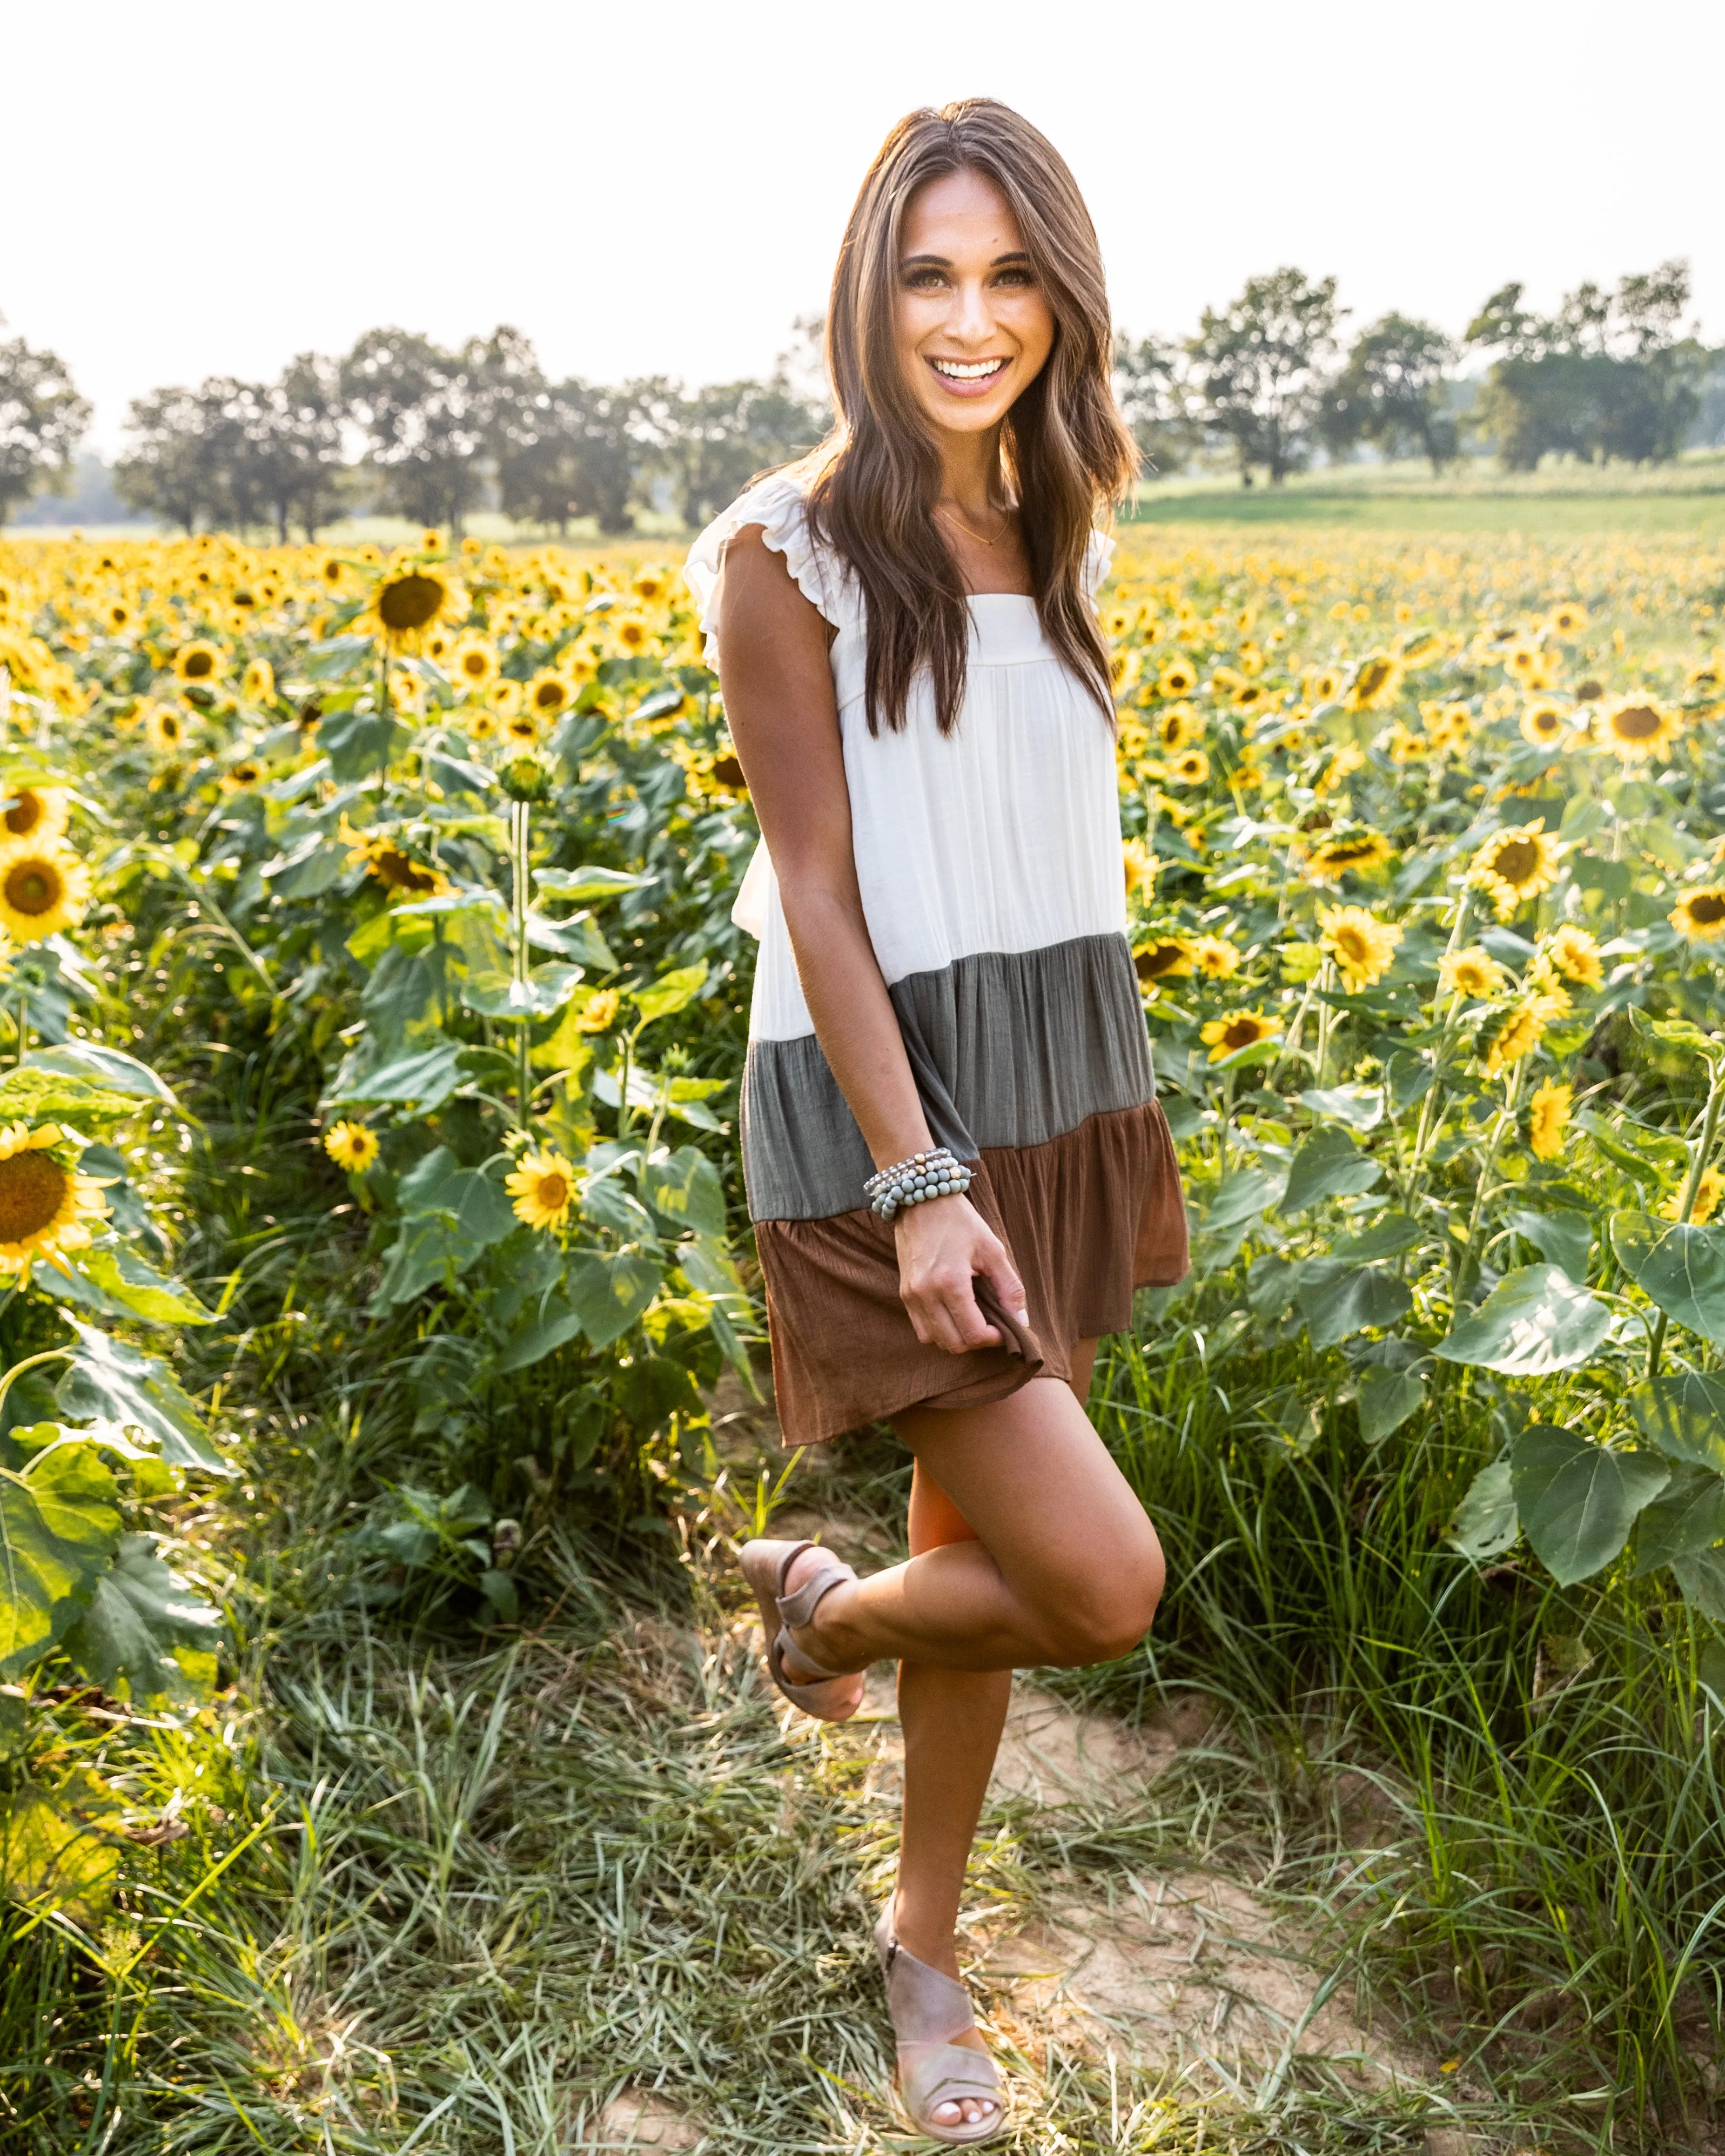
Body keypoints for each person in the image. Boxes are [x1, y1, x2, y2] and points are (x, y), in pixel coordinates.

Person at [683, 97, 1189, 2145]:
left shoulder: (1060, 527)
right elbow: (818, 888)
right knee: (1099, 1577)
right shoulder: (780, 551)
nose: (969, 321)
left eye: (1007, 277)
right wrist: (920, 1186)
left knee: (979, 1521)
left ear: (1057, 300)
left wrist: (1064, 1122)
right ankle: (827, 1612)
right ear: (865, 297)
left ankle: (924, 1944)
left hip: (1057, 1075)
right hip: (884, 1101)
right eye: (928, 276)